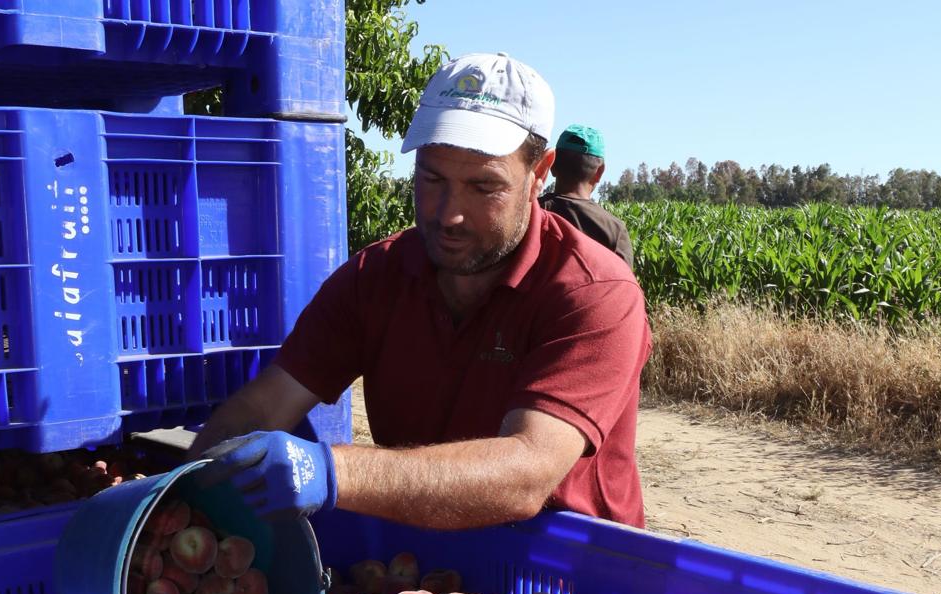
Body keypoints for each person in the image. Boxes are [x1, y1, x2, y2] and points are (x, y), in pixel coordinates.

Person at [192, 53, 652, 530]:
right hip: (422, 566)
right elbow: (265, 406)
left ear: (540, 174)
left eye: (482, 187)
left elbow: (527, 472)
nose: (449, 214)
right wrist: (180, 500)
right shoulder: (376, 277)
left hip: (565, 583)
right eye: (432, 179)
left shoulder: (593, 292)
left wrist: (331, 470)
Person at [539, 125, 634, 266]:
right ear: (599, 172)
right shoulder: (614, 230)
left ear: (552, 165)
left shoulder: (529, 212)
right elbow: (622, 285)